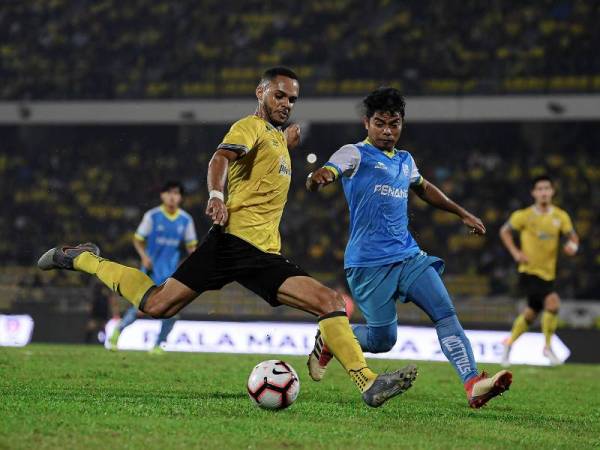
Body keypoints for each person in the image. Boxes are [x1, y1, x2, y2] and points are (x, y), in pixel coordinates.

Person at [38, 67, 417, 408]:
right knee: (156, 306)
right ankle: (84, 258)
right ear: (260, 93)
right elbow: (219, 160)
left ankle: (368, 382)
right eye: (279, 95)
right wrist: (216, 196)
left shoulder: (274, 138)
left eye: (292, 99)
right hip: (232, 243)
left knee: (331, 302)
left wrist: (285, 142)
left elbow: (265, 162)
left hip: (262, 253)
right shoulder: (247, 127)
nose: (286, 103)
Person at [306, 87, 512, 408]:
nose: (388, 131)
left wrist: (462, 212)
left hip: (409, 256)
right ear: (366, 123)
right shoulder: (356, 153)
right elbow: (333, 167)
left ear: (402, 124)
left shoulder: (405, 160)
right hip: (368, 264)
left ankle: (473, 383)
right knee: (382, 340)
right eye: (380, 124)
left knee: (445, 314)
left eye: (394, 124)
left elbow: (424, 188)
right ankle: (332, 337)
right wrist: (323, 175)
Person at [107, 181, 198, 353]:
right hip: (150, 271)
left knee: (172, 312)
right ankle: (117, 332)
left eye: (176, 193)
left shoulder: (186, 220)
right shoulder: (152, 216)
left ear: (180, 198)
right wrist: (144, 257)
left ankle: (158, 345)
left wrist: (194, 261)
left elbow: (191, 246)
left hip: (171, 275)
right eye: (169, 193)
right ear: (162, 195)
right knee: (139, 309)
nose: (172, 197)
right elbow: (138, 239)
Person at [499, 175, 579, 366]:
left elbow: (573, 237)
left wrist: (572, 246)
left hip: (548, 272)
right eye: (540, 189)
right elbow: (505, 231)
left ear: (552, 192)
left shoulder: (560, 216)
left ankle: (508, 345)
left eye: (547, 188)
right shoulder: (524, 215)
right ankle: (548, 348)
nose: (543, 192)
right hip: (529, 271)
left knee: (531, 313)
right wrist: (516, 252)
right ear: (534, 193)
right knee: (552, 303)